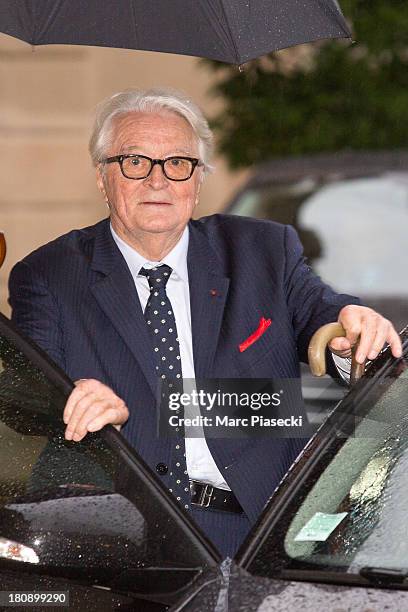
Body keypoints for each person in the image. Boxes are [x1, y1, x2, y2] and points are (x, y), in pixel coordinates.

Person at [8, 88, 402, 557]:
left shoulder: (262, 251)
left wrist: (351, 330)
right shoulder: (49, 274)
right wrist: (70, 396)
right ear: (102, 176)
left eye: (178, 163)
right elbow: (22, 393)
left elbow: (325, 316)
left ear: (197, 181)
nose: (158, 180)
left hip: (259, 532)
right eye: (135, 161)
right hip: (118, 531)